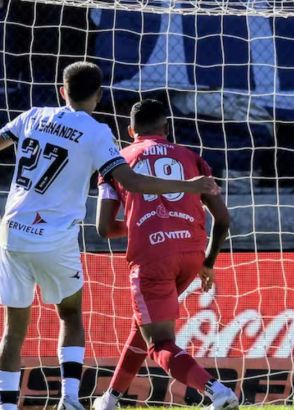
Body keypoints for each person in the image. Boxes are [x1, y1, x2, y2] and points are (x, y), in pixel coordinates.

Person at [0, 62, 219, 410]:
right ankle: (70, 399)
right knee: (69, 314)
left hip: (12, 231)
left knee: (14, 326)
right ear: (99, 96)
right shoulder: (97, 131)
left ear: (62, 90)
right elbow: (130, 182)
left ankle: (7, 406)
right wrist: (186, 186)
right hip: (55, 237)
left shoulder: (31, 115)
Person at [91, 100, 237, 410]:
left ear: (131, 131)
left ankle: (217, 391)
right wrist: (208, 264)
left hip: (153, 257)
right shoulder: (192, 158)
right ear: (166, 128)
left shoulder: (116, 162)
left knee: (159, 341)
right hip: (192, 253)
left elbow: (103, 228)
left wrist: (139, 223)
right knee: (141, 327)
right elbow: (223, 219)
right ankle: (110, 399)